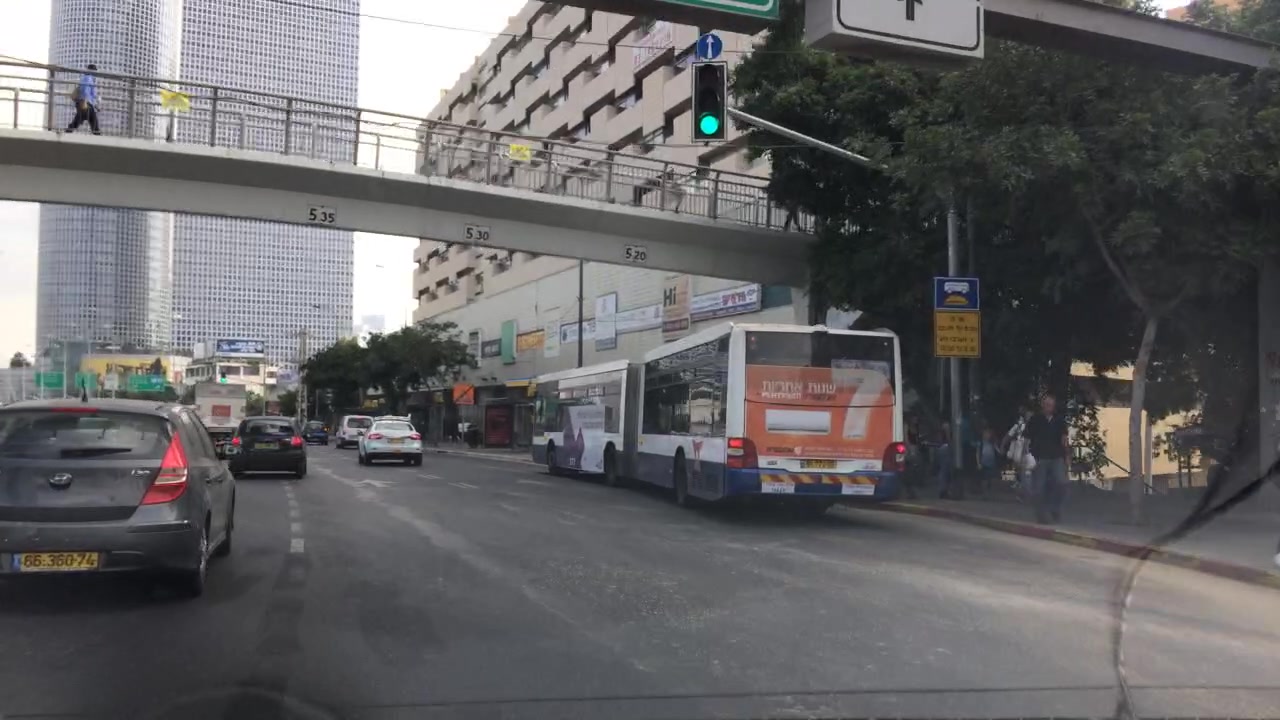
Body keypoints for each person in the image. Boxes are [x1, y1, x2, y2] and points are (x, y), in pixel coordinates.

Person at [1025, 394, 1070, 523]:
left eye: (1050, 405)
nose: (1048, 407)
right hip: (1039, 457)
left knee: (1061, 483)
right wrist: (1026, 455)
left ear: (1054, 406)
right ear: (1042, 406)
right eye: (1046, 405)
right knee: (1039, 488)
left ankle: (1055, 508)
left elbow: (1064, 439)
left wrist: (1067, 455)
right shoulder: (1035, 419)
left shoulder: (1059, 420)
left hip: (1056, 456)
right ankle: (1041, 515)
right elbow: (1027, 438)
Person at [67, 63, 101, 135]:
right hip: (86, 103)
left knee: (78, 120)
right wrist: (84, 101)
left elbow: (89, 94)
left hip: (85, 103)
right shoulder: (88, 78)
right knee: (93, 122)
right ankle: (98, 136)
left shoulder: (85, 78)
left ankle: (67, 132)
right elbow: (86, 91)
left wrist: (95, 106)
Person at [977, 426, 1000, 496]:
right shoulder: (981, 443)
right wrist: (978, 463)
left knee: (990, 478)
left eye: (988, 434)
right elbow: (978, 453)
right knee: (984, 478)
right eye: (985, 434)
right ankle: (984, 492)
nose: (987, 435)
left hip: (991, 463)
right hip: (983, 462)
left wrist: (1000, 451)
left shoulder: (992, 443)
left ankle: (988, 491)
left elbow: (997, 450)